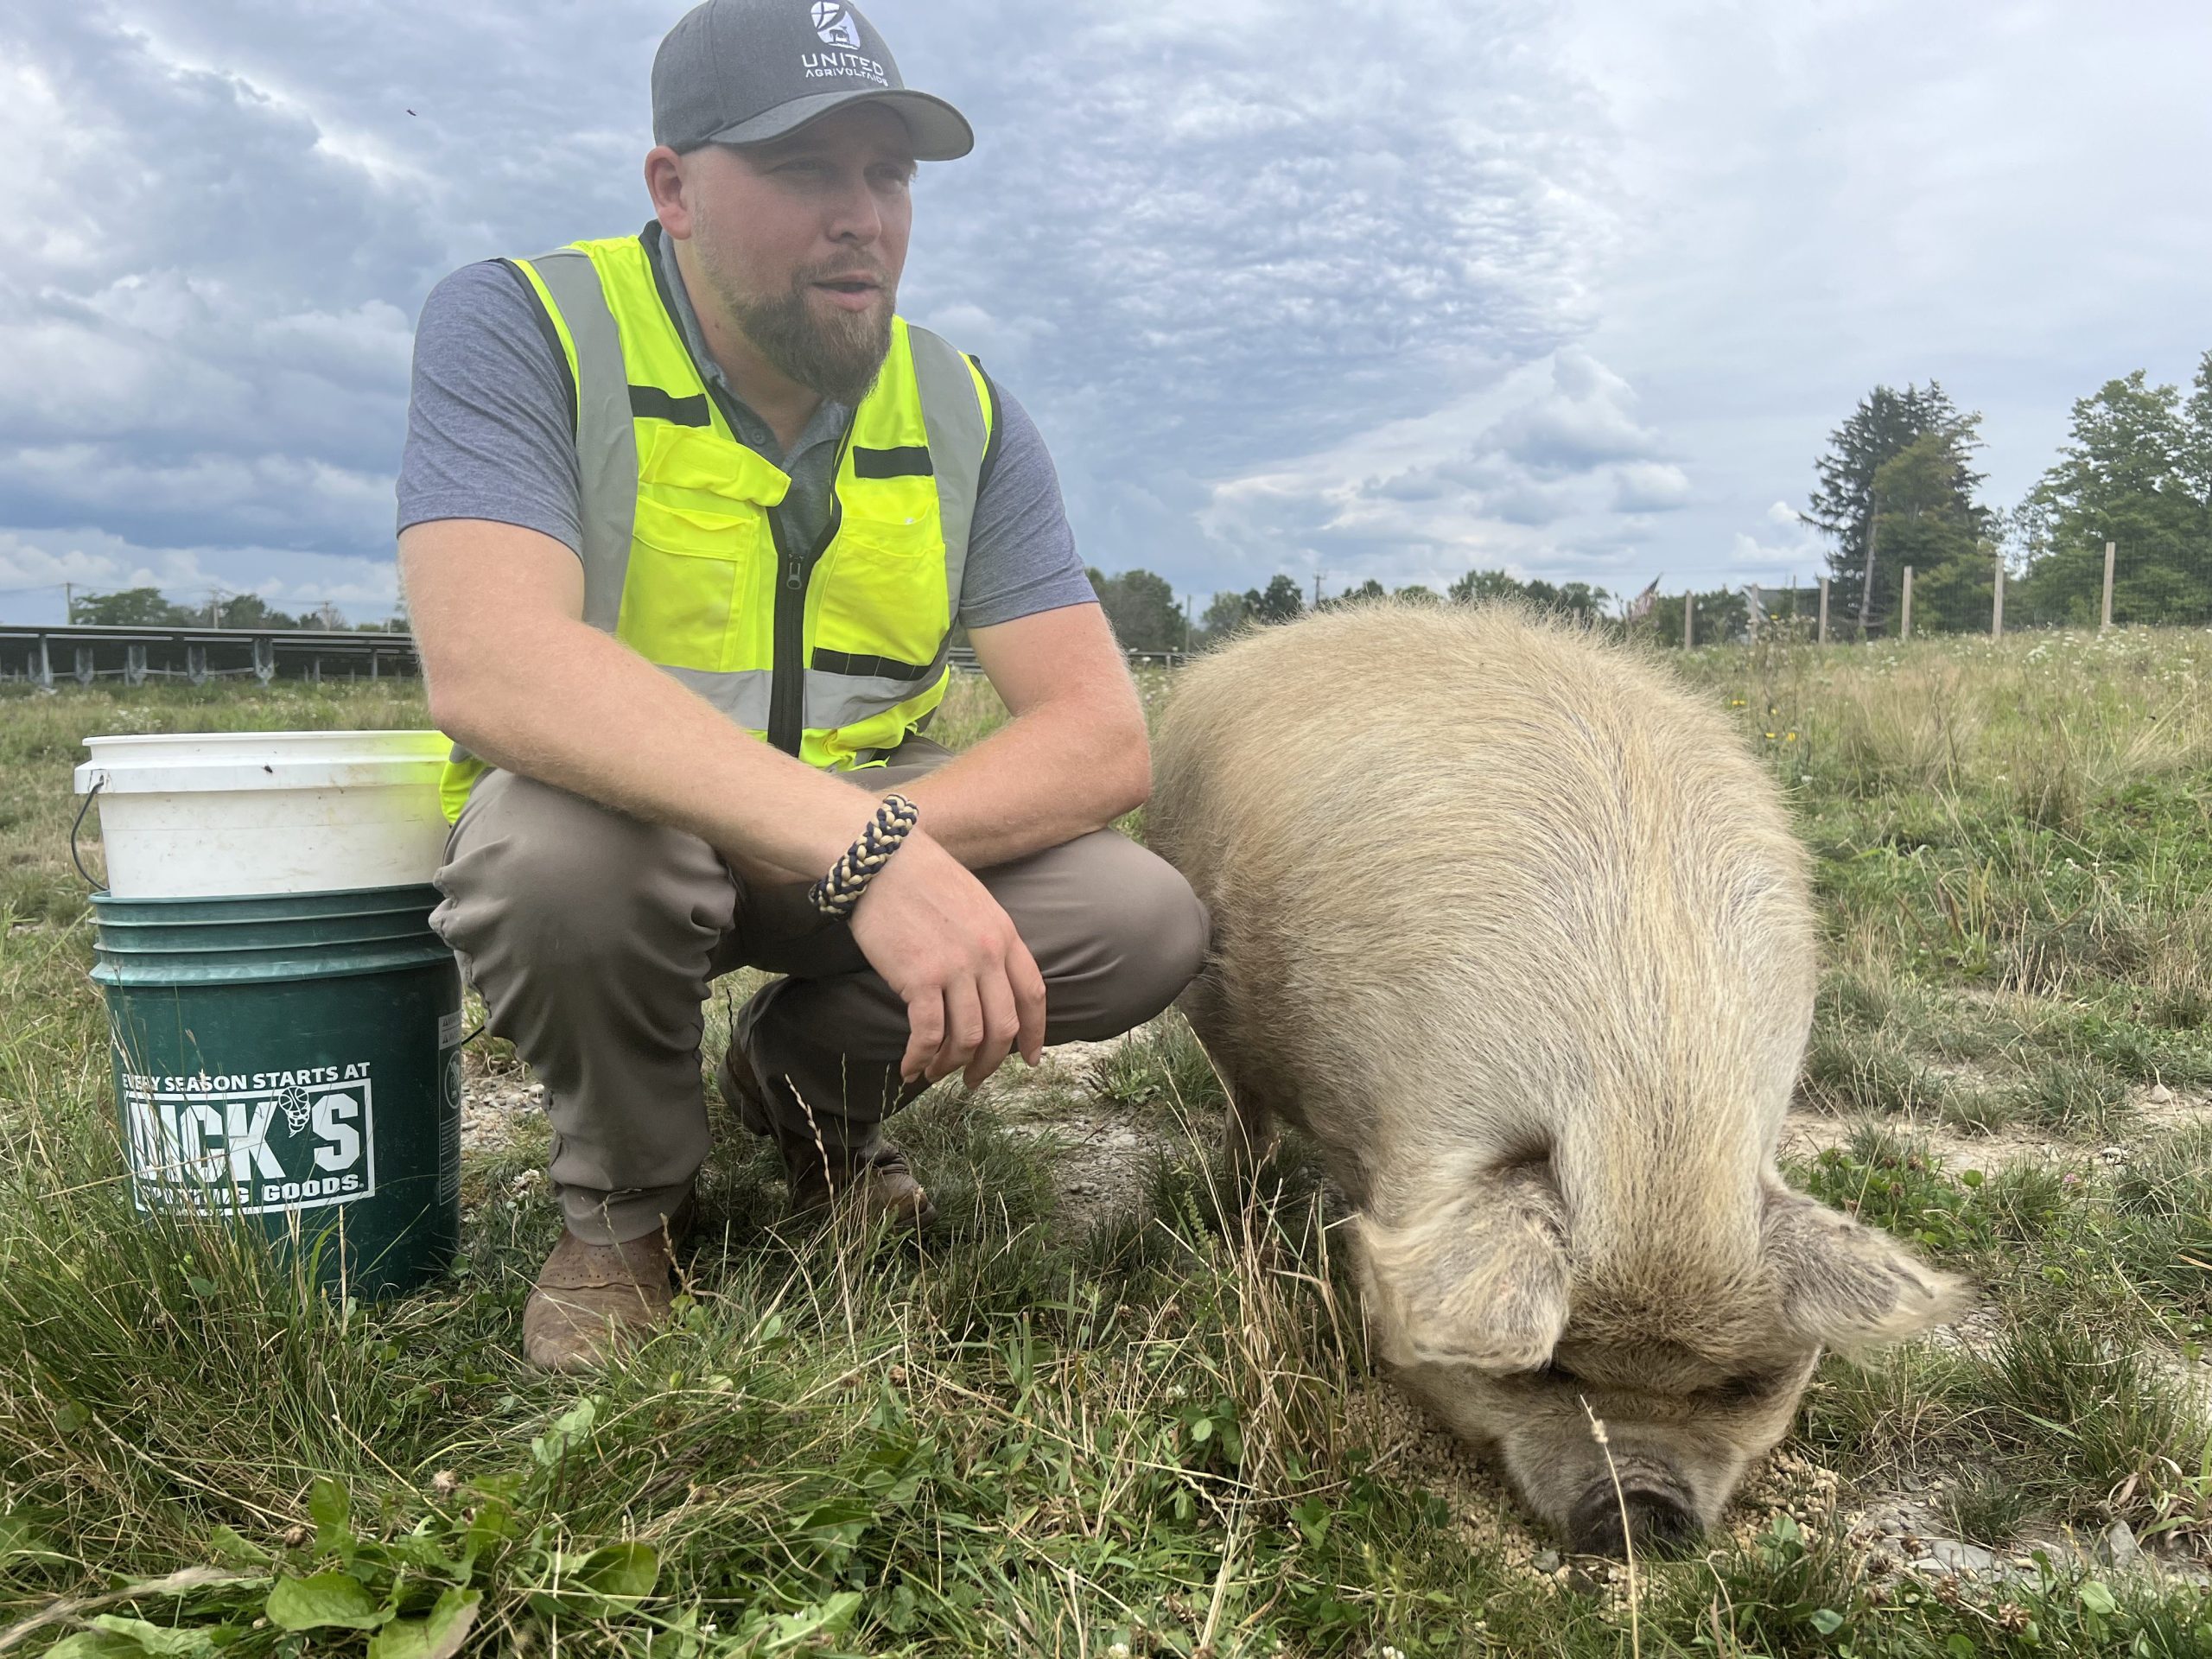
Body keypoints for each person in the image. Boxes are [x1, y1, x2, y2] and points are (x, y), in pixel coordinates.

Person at [396, 0, 1208, 1371]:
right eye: (801, 170)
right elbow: (495, 663)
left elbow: (1101, 738)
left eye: (886, 174)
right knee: (556, 860)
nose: (861, 217)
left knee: (1136, 916)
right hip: (625, 827)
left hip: (843, 842)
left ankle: (807, 1097)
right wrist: (860, 845)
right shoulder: (525, 325)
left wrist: (881, 842)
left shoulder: (967, 410)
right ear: (674, 189)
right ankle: (624, 1208)